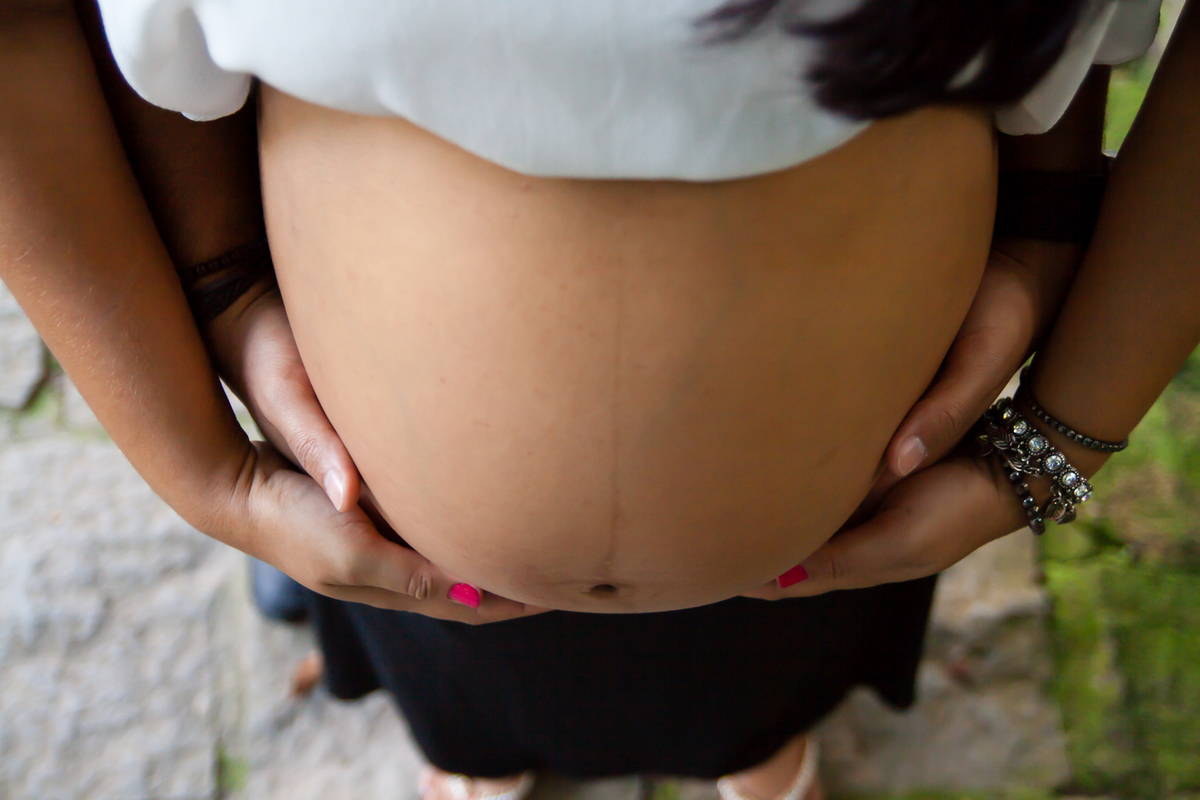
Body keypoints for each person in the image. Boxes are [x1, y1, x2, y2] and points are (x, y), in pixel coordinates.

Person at [2, 0, 1195, 798]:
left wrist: (1061, 425)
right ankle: (477, 746)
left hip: (850, 484)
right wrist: (205, 463)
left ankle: (759, 740)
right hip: (385, 482)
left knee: (783, 648)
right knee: (439, 656)